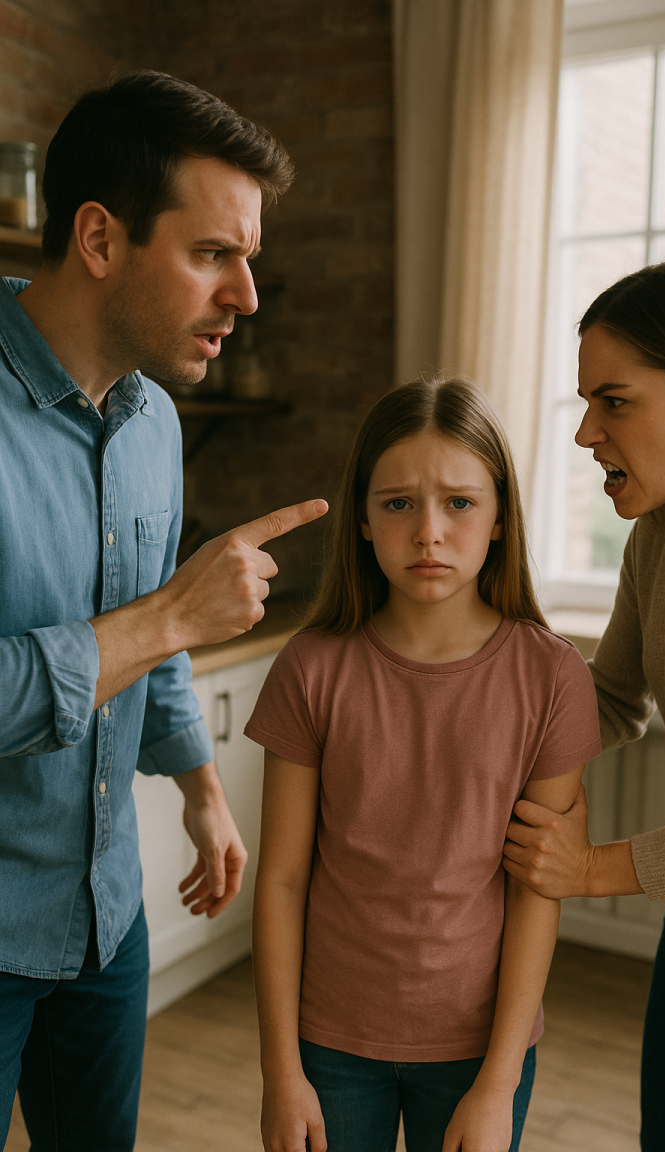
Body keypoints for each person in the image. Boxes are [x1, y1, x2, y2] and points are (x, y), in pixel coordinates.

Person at [0, 70, 328, 1152]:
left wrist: (202, 791)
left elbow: (157, 632)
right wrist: (172, 618)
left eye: (249, 258)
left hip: (106, 912)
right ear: (99, 238)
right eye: (213, 254)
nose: (247, 295)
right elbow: (164, 621)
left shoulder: (155, 425)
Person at [247, 375, 601, 1152]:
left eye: (460, 503)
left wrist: (498, 1083)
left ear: (501, 517)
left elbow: (537, 887)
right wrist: (281, 1070)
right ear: (364, 520)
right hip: (328, 1043)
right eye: (399, 503)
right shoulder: (311, 668)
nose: (428, 532)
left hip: (480, 1051)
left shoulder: (553, 677)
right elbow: (281, 880)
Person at [503, 255, 665, 1151]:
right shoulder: (659, 536)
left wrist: (584, 869)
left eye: (614, 402)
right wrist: (477, 718)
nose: (587, 433)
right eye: (587, 402)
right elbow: (612, 698)